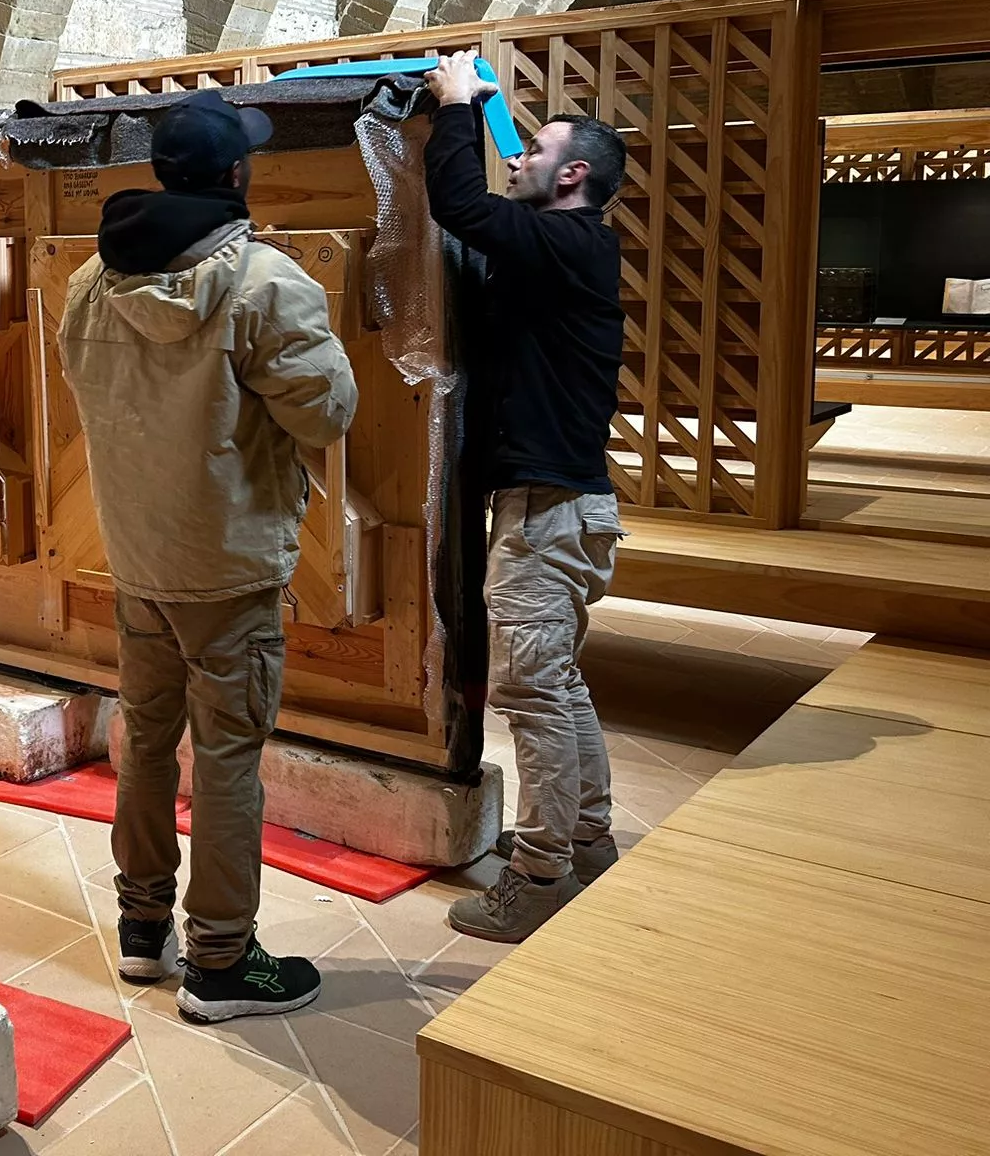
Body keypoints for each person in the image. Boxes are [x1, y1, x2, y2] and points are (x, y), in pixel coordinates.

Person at [58, 89, 358, 1025]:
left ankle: (143, 930)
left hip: (138, 553)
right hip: (226, 564)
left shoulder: (87, 281)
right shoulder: (266, 281)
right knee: (228, 755)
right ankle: (223, 961)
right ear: (237, 175)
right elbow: (328, 412)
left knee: (145, 739)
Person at [421, 49, 627, 944]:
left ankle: (539, 875)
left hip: (550, 511)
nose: (519, 158)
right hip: (564, 505)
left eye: (533, 149)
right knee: (557, 682)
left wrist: (457, 106)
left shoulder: (569, 242)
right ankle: (587, 837)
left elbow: (461, 209)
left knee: (530, 691)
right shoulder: (563, 252)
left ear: (573, 174)